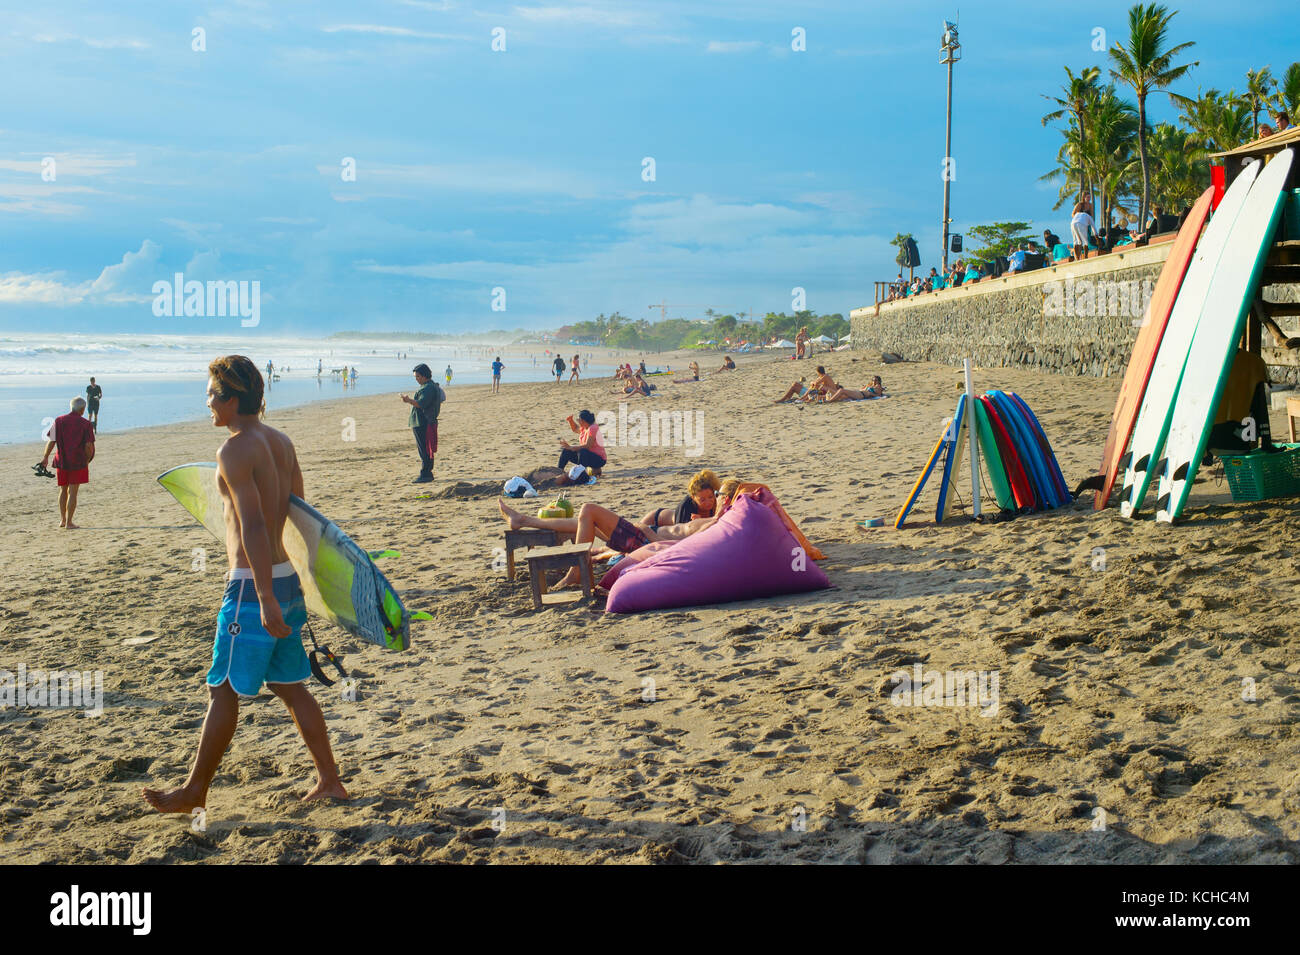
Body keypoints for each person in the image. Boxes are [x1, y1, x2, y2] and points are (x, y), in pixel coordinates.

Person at [143, 355, 347, 815]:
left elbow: (254, 527)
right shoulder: (281, 442)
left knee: (225, 689)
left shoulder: (235, 450)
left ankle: (195, 791)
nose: (208, 401)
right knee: (292, 685)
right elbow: (299, 517)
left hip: (252, 588)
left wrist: (264, 596)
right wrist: (299, 585)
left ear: (232, 399)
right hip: (285, 579)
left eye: (213, 393)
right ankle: (330, 780)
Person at [497, 498, 719, 588]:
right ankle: (524, 520)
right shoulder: (713, 519)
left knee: (588, 510)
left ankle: (576, 572)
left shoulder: (717, 523)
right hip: (642, 536)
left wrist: (649, 536)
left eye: (721, 498)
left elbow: (678, 546)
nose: (716, 501)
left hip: (643, 541)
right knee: (585, 522)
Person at [38, 395, 95, 528]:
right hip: (78, 461)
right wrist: (87, 460)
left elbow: (51, 441)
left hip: (61, 461)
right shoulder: (85, 424)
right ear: (82, 409)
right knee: (73, 492)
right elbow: (88, 445)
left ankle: (63, 520)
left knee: (63, 490)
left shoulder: (59, 420)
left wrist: (45, 457)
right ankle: (69, 522)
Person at [401, 363, 443, 483]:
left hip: (423, 422)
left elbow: (421, 404)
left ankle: (426, 473)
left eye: (418, 376)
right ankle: (427, 472)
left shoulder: (428, 387)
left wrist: (408, 400)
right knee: (426, 448)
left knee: (424, 449)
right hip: (425, 421)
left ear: (424, 376)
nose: (417, 379)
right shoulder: (430, 386)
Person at [641, 469, 720, 530]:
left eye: (710, 497)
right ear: (693, 497)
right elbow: (680, 533)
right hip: (654, 521)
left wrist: (701, 521)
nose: (708, 502)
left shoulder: (717, 500)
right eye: (702, 500)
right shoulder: (687, 505)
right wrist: (699, 522)